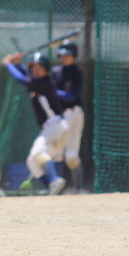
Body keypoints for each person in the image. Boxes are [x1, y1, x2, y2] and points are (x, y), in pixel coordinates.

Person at [1, 51, 69, 196]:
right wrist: (18, 64)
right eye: (34, 68)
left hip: (55, 125)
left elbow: (21, 79)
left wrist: (8, 64)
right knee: (32, 161)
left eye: (40, 68)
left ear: (46, 69)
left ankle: (55, 180)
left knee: (38, 153)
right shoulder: (38, 81)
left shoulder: (44, 83)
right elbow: (27, 75)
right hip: (54, 128)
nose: (36, 70)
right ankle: (53, 188)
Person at [52, 39, 85, 192]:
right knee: (56, 154)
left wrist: (52, 91)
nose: (64, 58)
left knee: (71, 156)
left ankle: (79, 189)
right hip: (59, 116)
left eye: (68, 55)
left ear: (74, 56)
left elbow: (72, 96)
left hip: (74, 115)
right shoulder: (55, 72)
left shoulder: (77, 73)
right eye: (62, 55)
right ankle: (56, 189)